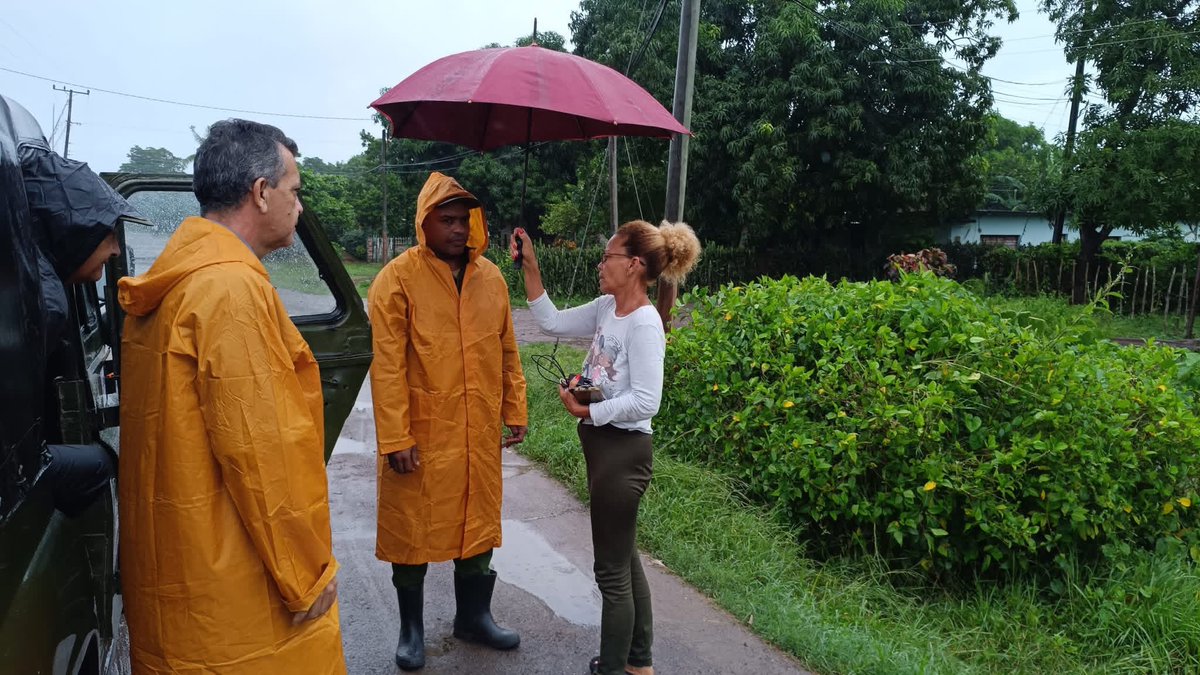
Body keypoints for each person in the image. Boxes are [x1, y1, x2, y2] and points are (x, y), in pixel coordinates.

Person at [117, 119, 345, 674]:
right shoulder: (229, 289)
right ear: (261, 192)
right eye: (294, 190)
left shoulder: (175, 280)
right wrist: (305, 575)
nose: (298, 203)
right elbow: (265, 457)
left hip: (180, 579)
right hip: (236, 607)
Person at [510, 219, 701, 675]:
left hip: (623, 455)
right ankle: (638, 662)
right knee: (625, 559)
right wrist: (530, 265)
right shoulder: (606, 308)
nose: (601, 264)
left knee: (610, 573)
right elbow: (552, 320)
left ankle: (613, 667)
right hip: (603, 450)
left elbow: (647, 401)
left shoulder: (644, 324)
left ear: (633, 264)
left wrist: (588, 412)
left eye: (608, 256)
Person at [368, 171, 528, 671]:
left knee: (476, 521)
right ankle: (411, 628)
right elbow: (387, 365)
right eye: (448, 219)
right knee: (411, 528)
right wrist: (395, 436)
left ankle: (473, 617)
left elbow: (506, 349)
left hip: (476, 430)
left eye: (465, 220)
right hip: (422, 432)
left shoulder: (492, 279)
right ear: (425, 222)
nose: (459, 229)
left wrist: (515, 408)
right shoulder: (396, 280)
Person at [3, 93, 142, 517]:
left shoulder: (42, 278)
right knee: (100, 463)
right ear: (74, 231)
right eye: (107, 232)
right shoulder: (44, 299)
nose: (117, 251)